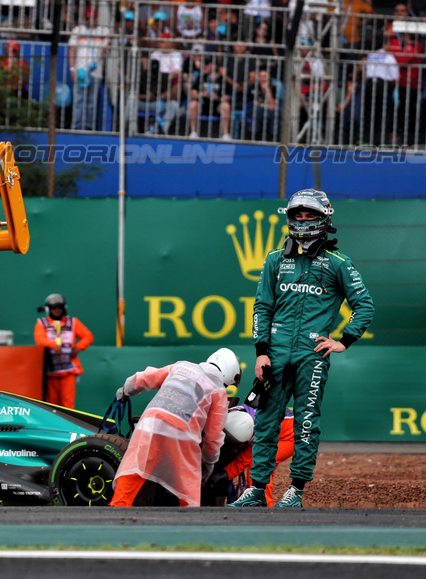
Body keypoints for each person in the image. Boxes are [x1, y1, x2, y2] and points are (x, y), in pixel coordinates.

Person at [230, 189, 374, 509]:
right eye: (298, 215)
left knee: (306, 421)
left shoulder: (338, 262)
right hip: (276, 354)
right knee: (266, 421)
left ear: (324, 218)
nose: (303, 220)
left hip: (313, 354)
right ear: (289, 217)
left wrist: (343, 340)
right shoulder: (274, 259)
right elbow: (261, 308)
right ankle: (257, 489)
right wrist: (262, 352)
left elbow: (364, 305)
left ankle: (295, 491)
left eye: (310, 215)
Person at [108, 347, 235, 507]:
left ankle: (117, 507)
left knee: (135, 467)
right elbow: (213, 436)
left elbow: (146, 377)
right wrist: (209, 463)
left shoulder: (181, 366)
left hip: (151, 423)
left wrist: (126, 390)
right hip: (182, 433)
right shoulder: (219, 390)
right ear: (227, 376)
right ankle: (190, 522)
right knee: (189, 487)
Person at [34, 293, 93, 408]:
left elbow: (88, 336)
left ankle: (68, 425)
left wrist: (78, 347)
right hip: (50, 369)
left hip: (69, 368)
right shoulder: (42, 323)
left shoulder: (73, 322)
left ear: (64, 308)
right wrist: (52, 345)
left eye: (59, 307)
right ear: (48, 309)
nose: (56, 310)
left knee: (68, 402)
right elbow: (39, 339)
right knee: (52, 403)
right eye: (53, 308)